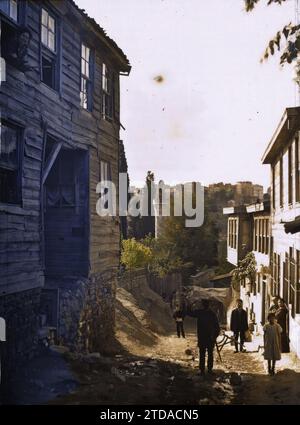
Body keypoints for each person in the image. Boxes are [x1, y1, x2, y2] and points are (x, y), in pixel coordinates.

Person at [186, 299, 220, 375]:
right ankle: (207, 370)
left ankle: (204, 370)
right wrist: (214, 336)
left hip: (205, 337)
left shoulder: (202, 313)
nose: (203, 306)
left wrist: (189, 305)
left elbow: (189, 313)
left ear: (204, 305)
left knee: (204, 354)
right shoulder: (210, 313)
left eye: (203, 304)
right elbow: (217, 327)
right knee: (207, 354)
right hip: (207, 337)